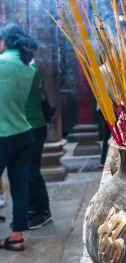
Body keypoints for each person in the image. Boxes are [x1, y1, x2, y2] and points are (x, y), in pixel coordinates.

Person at [0, 24, 36, 252]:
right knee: (20, 188)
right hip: (23, 133)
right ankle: (16, 236)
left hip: (2, 134)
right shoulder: (28, 68)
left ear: (6, 41)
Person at [25, 45, 52, 229]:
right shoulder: (33, 69)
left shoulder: (31, 71)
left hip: (34, 126)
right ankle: (37, 209)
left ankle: (42, 211)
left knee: (31, 172)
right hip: (33, 125)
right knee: (30, 172)